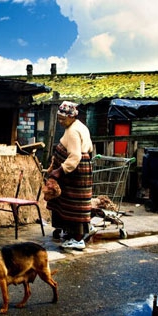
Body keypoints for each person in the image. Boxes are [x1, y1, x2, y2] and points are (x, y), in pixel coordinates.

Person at [47, 101, 94, 251]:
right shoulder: (79, 126)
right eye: (59, 118)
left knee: (75, 205)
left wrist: (59, 171)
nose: (60, 122)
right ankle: (72, 233)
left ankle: (78, 240)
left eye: (63, 119)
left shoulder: (73, 131)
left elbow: (74, 156)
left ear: (72, 116)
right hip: (77, 172)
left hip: (74, 173)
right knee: (69, 204)